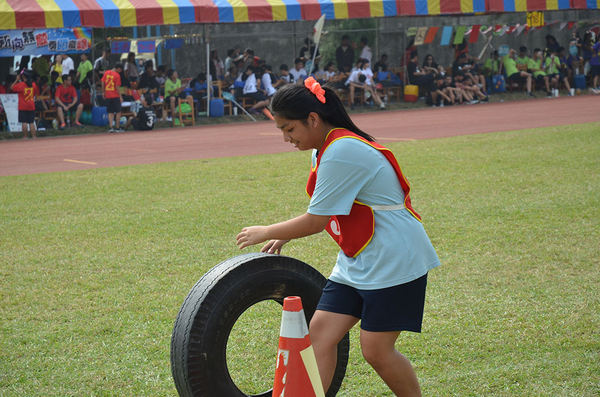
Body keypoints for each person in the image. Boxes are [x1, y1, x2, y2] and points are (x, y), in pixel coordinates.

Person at [236, 79, 441, 396]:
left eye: (289, 128)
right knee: (319, 334)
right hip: (358, 258)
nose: (285, 138)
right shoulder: (325, 148)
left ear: (313, 119)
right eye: (280, 129)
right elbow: (330, 207)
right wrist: (286, 237)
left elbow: (316, 221)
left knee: (376, 351)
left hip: (394, 259)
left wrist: (269, 231)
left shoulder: (342, 149)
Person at [10, 71, 39, 139]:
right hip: (31, 106)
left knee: (24, 122)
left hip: (23, 106)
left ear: (23, 77)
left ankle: (25, 136)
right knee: (31, 122)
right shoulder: (33, 84)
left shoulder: (20, 85)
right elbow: (36, 95)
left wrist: (16, 80)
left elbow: (11, 87)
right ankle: (34, 136)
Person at [101, 62, 124, 133]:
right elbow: (117, 86)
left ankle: (111, 127)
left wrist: (103, 92)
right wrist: (120, 96)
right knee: (118, 111)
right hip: (115, 95)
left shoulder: (106, 72)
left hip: (108, 95)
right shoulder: (117, 75)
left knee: (110, 112)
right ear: (119, 69)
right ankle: (117, 127)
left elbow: (102, 82)